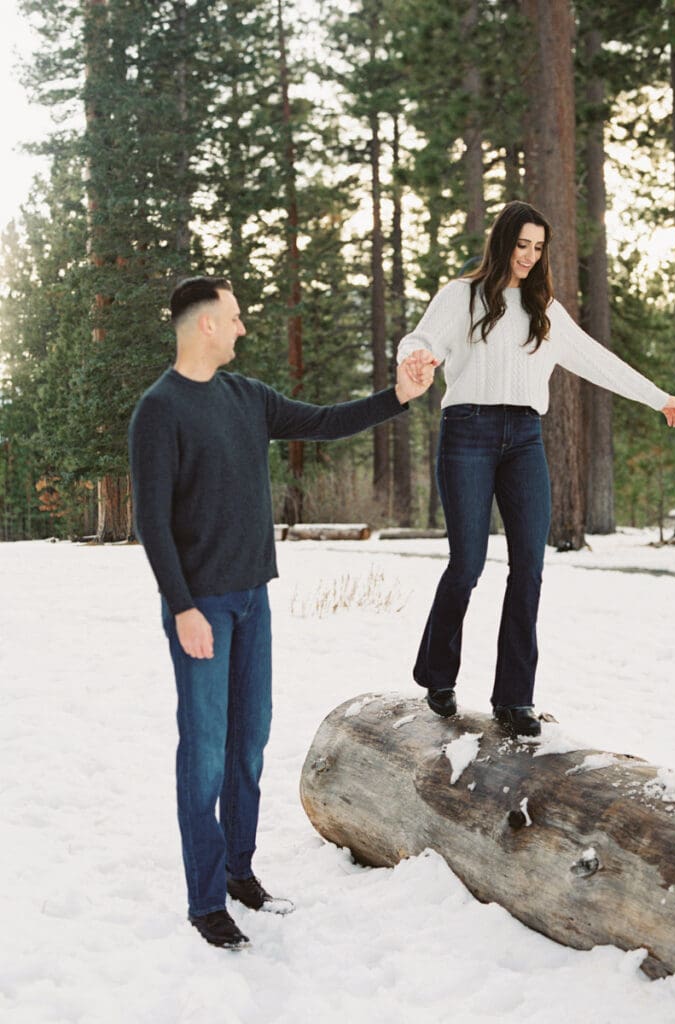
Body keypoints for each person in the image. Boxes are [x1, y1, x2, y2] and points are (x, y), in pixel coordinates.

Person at [128, 276, 435, 949]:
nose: (242, 329)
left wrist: (397, 397)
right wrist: (181, 608)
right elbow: (151, 521)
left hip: (251, 598)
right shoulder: (160, 409)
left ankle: (239, 871)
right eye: (235, 318)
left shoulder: (246, 398)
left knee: (249, 744)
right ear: (205, 324)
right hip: (200, 606)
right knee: (204, 756)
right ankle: (206, 900)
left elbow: (324, 422)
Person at [397, 200, 675, 739]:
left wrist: (656, 396)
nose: (529, 256)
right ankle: (437, 675)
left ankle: (515, 698)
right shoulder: (460, 296)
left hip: (524, 439)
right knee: (467, 564)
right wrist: (414, 359)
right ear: (502, 241)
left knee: (528, 566)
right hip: (468, 432)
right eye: (521, 244)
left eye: (537, 247)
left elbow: (598, 360)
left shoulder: (545, 310)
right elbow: (421, 339)